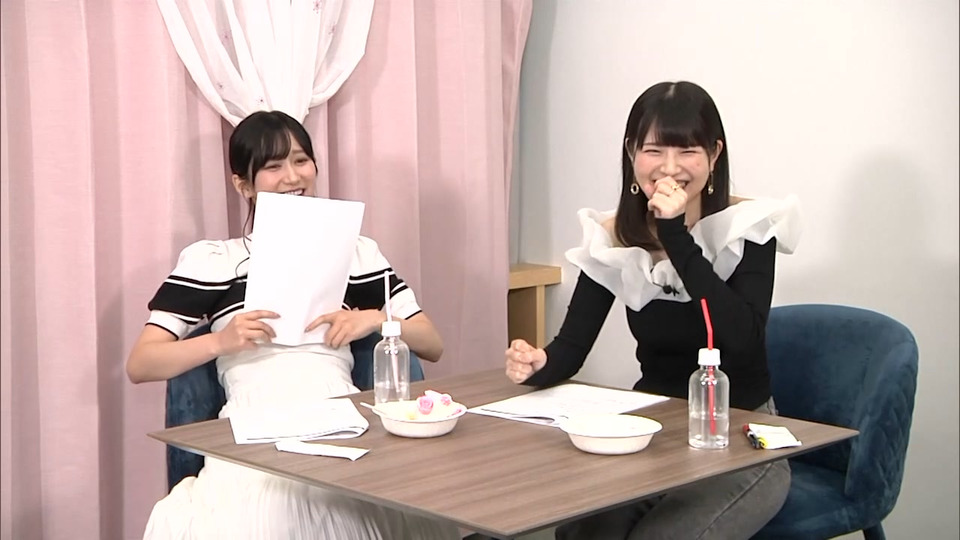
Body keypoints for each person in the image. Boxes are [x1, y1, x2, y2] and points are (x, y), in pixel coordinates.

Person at [127, 110, 459, 539]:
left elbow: (432, 343)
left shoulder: (357, 254)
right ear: (244, 185)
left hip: (341, 415)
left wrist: (375, 319)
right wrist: (221, 342)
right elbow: (142, 364)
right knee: (272, 513)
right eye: (273, 166)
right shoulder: (214, 261)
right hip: (255, 422)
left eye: (301, 160)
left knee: (372, 507)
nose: (292, 176)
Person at [504, 81, 800, 540]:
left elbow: (742, 338)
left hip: (741, 436)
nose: (670, 168)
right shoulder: (614, 236)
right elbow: (572, 347)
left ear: (714, 155)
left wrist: (675, 235)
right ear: (632, 154)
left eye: (688, 151)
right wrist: (539, 363)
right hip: (653, 430)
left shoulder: (749, 227)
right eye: (654, 150)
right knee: (582, 530)